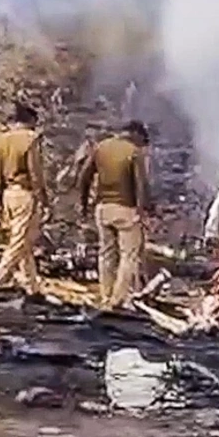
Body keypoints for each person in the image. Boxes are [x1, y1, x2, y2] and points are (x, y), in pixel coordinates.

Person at [78, 120, 152, 309]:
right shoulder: (133, 152)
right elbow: (141, 185)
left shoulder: (101, 148)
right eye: (142, 141)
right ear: (136, 134)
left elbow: (84, 177)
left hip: (103, 208)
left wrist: (84, 205)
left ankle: (105, 296)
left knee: (106, 254)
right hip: (125, 209)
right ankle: (117, 300)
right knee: (129, 256)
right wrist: (142, 212)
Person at [0, 102, 47, 302]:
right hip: (25, 193)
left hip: (8, 194)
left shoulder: (2, 140)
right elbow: (35, 172)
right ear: (31, 121)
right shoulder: (31, 139)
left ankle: (32, 287)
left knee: (25, 241)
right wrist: (43, 198)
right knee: (19, 241)